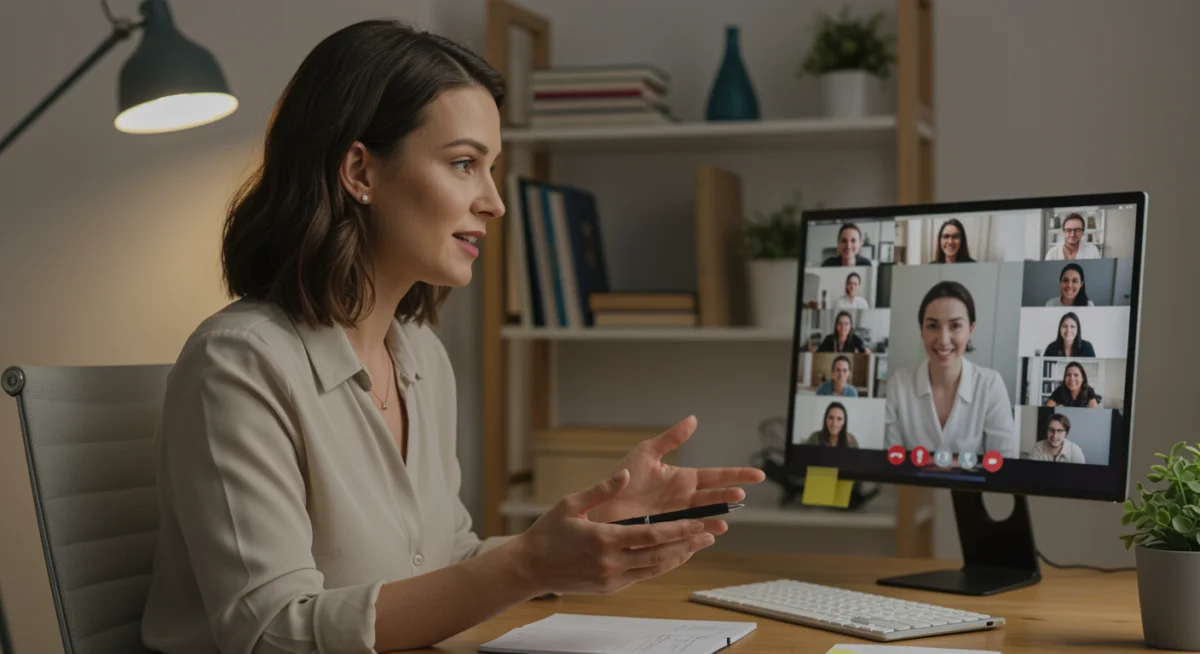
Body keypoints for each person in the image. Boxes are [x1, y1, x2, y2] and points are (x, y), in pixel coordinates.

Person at [139, 21, 766, 654]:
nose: (493, 201)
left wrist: (588, 531)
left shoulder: (421, 358)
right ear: (360, 170)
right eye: (464, 164)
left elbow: (443, 561)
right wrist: (529, 566)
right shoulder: (241, 364)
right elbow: (271, 633)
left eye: (491, 169)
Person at [884, 281, 1018, 458]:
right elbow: (890, 462)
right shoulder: (898, 384)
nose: (944, 340)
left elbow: (1004, 462)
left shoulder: (990, 385)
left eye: (955, 326)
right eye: (933, 326)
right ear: (921, 330)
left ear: (971, 329)